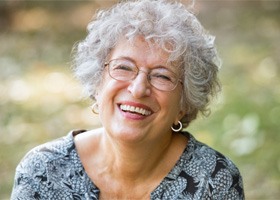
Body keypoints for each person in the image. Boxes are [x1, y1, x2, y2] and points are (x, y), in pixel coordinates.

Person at [11, 0, 244, 199]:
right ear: (98, 82)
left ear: (183, 105)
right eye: (124, 67)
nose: (138, 88)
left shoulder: (215, 181)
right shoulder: (42, 172)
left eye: (162, 76)